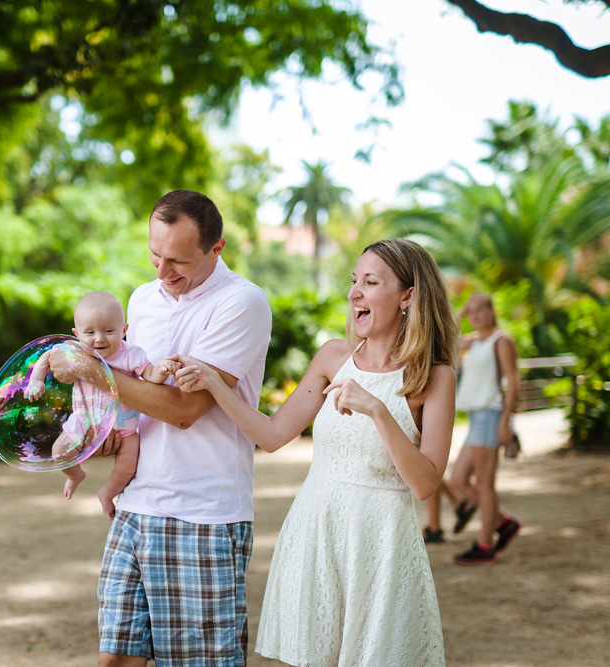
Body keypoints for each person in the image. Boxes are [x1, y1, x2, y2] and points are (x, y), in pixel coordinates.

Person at [173, 238, 457, 666]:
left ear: (408, 296)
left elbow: (425, 484)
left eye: (371, 282)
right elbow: (270, 435)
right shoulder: (332, 356)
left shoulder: (435, 377)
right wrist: (214, 383)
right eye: (354, 281)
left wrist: (377, 410)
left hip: (381, 544)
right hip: (316, 531)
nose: (354, 293)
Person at [92, 189, 272, 667]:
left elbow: (185, 409)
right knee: (115, 661)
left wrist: (96, 376)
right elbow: (136, 394)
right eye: (154, 255)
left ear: (217, 248)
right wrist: (111, 430)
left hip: (204, 515)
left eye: (178, 260)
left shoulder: (242, 302)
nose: (162, 272)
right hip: (136, 506)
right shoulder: (141, 300)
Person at [26, 291, 180, 519]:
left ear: (124, 330)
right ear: (77, 334)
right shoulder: (75, 352)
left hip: (125, 427)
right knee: (59, 453)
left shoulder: (130, 355)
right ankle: (75, 476)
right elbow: (49, 356)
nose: (99, 339)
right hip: (84, 420)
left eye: (109, 331)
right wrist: (36, 380)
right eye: (90, 332)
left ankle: (107, 494)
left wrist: (162, 369)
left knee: (128, 467)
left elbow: (150, 375)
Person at [447, 292, 523, 565]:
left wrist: (506, 420)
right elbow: (447, 339)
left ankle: (485, 545)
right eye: (472, 311)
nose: (476, 315)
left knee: (484, 485)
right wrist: (461, 311)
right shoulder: (474, 341)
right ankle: (504, 523)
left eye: (481, 309)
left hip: (491, 415)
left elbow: (513, 380)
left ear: (492, 311)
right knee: (458, 480)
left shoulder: (501, 340)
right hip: (477, 417)